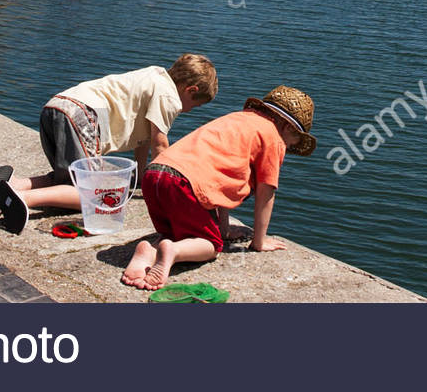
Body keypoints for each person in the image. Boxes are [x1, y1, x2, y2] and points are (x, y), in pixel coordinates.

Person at [0, 55, 218, 234]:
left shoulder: (155, 76)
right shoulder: (169, 97)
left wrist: (142, 178)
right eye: (194, 105)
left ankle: (12, 184)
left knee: (70, 179)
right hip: (82, 115)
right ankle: (22, 198)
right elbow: (160, 144)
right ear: (191, 90)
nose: (189, 110)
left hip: (57, 106)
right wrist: (161, 190)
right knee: (96, 198)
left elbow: (144, 141)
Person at [121, 85, 316, 291]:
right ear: (287, 128)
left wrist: (223, 228)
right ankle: (173, 251)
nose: (288, 148)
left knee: (181, 233)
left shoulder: (237, 119)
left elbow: (225, 181)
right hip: (184, 183)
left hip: (156, 174)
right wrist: (259, 241)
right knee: (210, 246)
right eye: (293, 143)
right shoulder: (274, 138)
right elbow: (266, 193)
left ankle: (149, 252)